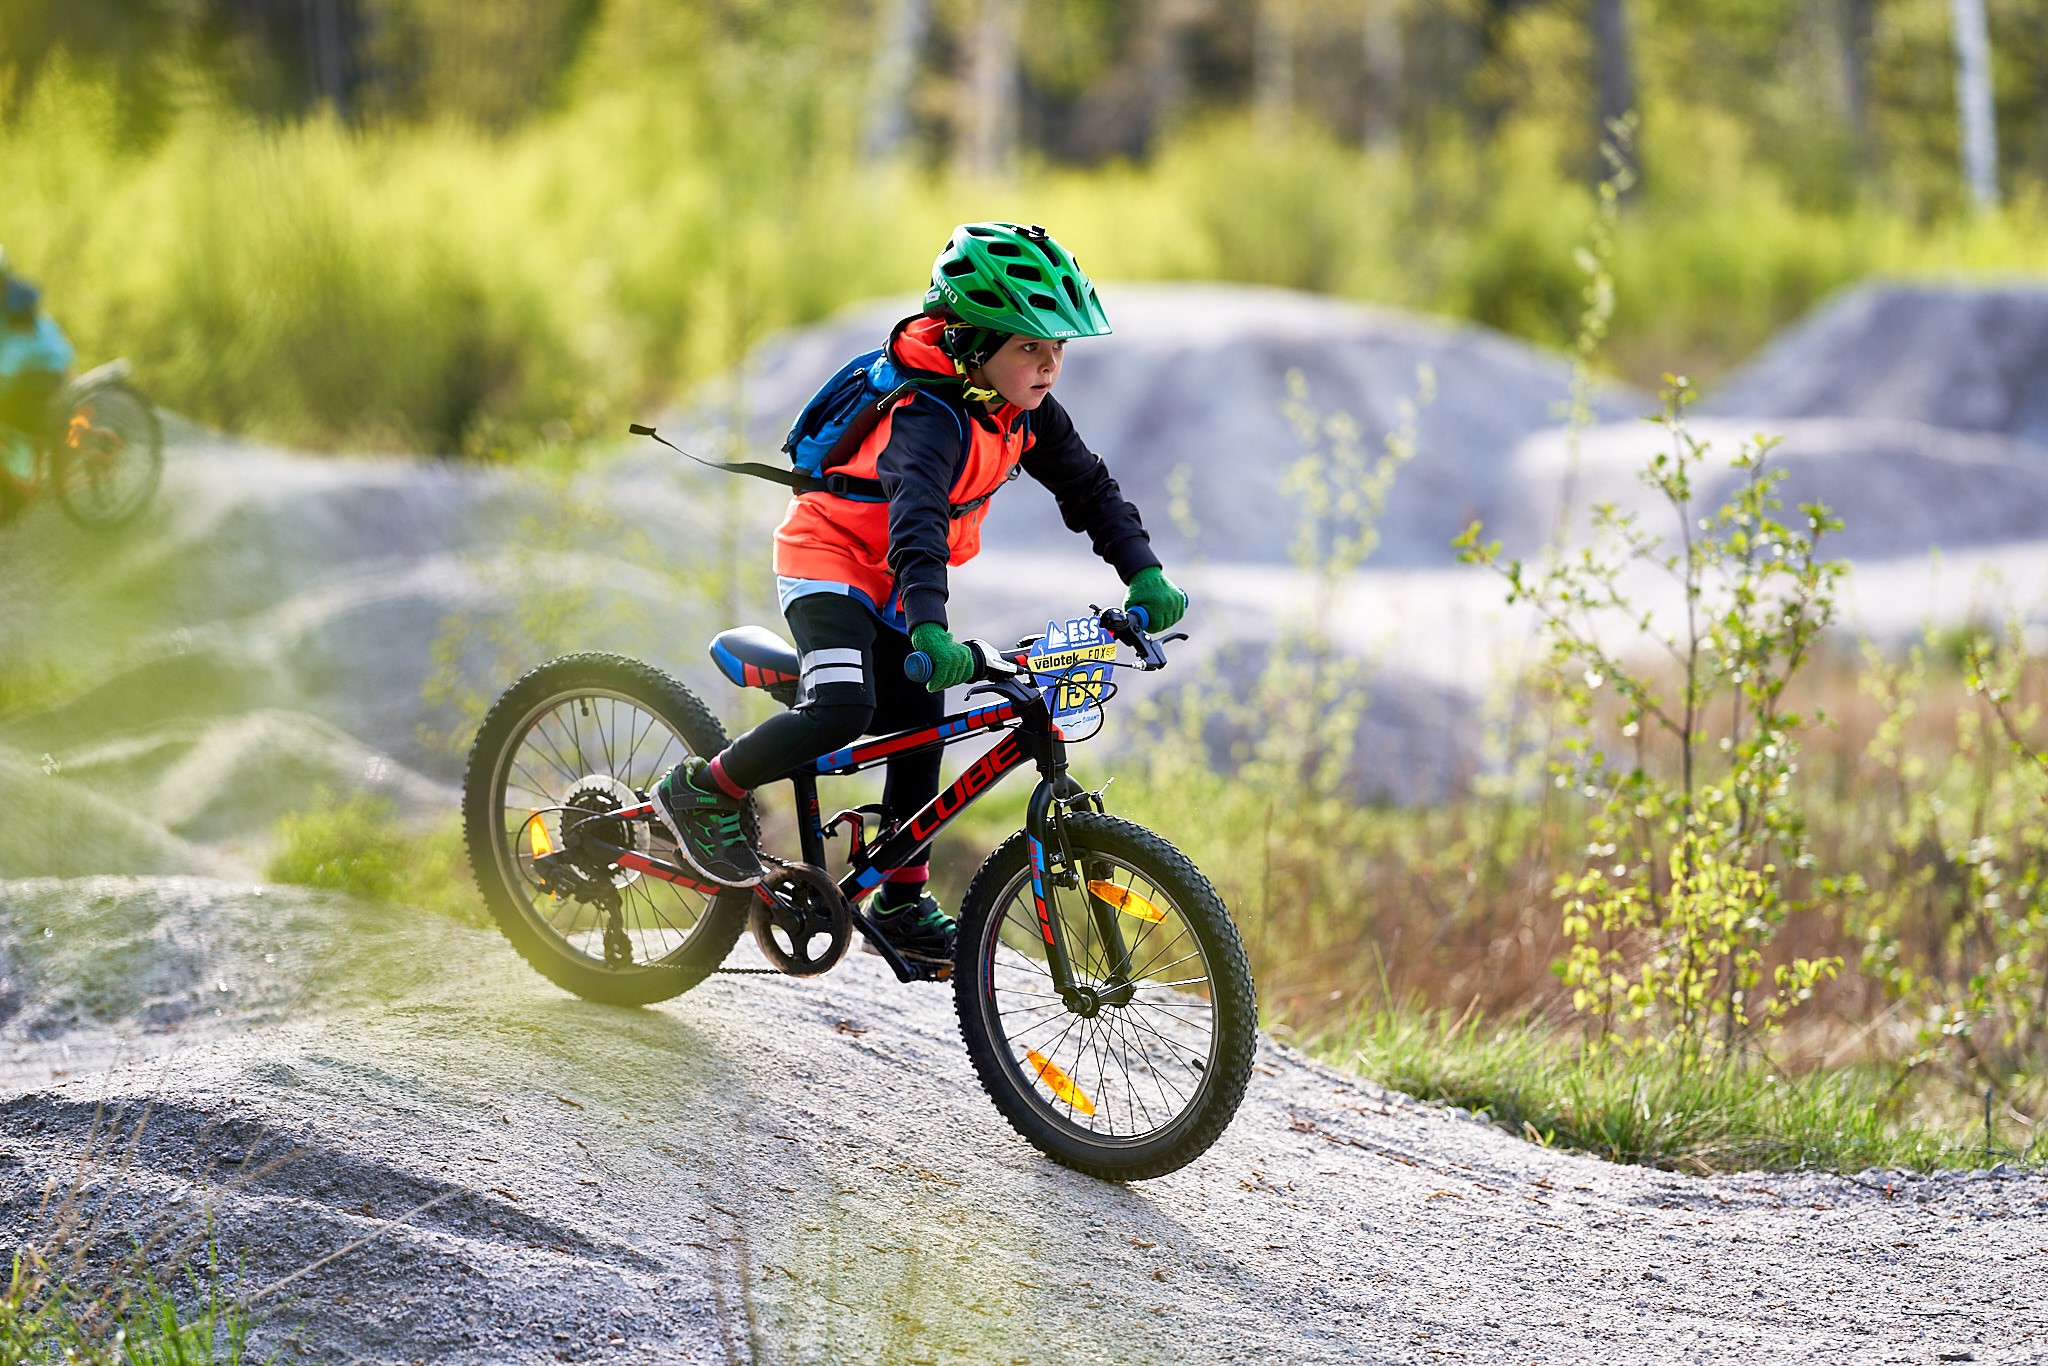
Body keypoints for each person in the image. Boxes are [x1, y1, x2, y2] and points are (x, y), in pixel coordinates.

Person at [652, 221, 1188, 969]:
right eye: (1029, 346)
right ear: (972, 343)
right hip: (830, 561)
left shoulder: (1022, 412)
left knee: (923, 717)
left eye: (1057, 347)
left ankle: (902, 898)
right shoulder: (927, 419)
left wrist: (1145, 572)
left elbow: (1090, 489)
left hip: (897, 585)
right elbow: (919, 526)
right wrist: (932, 628)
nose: (1049, 366)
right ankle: (700, 790)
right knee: (846, 708)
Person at [0, 248, 75, 508]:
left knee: (14, 415)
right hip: (25, 375)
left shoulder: (20, 312)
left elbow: (11, 358)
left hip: (48, 374)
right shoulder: (5, 302)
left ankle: (25, 480)